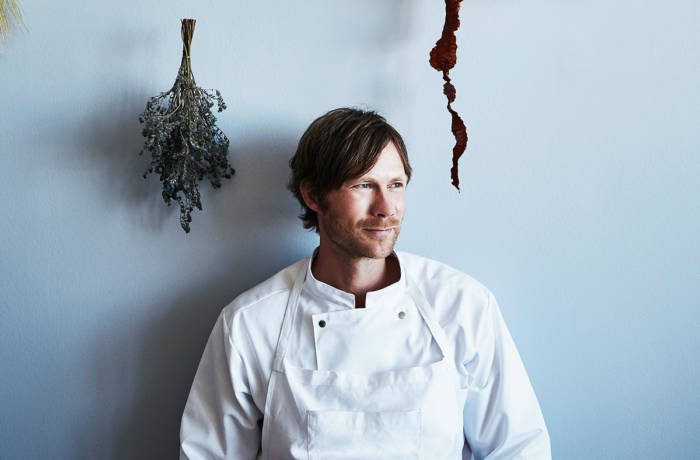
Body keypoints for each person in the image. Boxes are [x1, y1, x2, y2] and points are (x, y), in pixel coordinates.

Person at [179, 108, 551, 459]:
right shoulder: (250, 323)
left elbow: (519, 449)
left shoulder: (463, 306)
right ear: (313, 196)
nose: (386, 208)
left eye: (396, 184)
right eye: (364, 185)